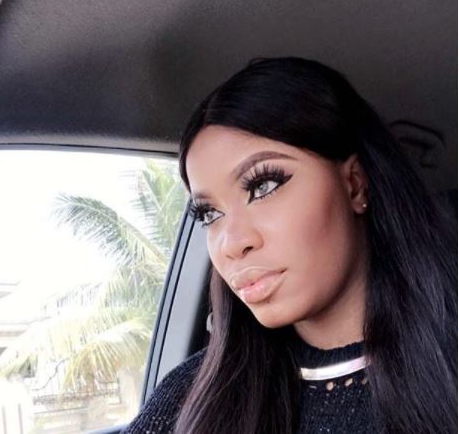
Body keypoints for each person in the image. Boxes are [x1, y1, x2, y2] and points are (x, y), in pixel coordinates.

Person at [123, 57, 457, 433]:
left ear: (354, 184)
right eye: (209, 214)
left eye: (263, 185)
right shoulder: (188, 398)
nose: (232, 244)